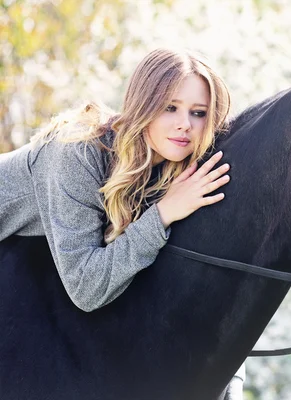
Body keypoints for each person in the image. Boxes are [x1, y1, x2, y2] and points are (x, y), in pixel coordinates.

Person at [0, 48, 245, 398]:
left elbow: (218, 284)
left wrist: (230, 382)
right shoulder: (78, 153)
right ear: (143, 105)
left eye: (198, 113)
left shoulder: (177, 169)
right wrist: (161, 215)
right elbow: (86, 288)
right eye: (169, 107)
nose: (185, 125)